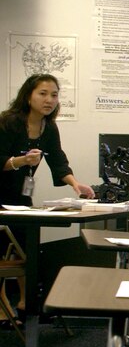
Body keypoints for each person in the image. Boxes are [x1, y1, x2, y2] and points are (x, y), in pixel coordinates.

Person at [0, 74, 96, 319]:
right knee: (3, 248)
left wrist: (76, 185)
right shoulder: (8, 121)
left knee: (26, 246)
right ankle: (3, 310)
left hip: (20, 194)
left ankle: (25, 303)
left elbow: (58, 159)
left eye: (54, 95)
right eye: (42, 93)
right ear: (28, 96)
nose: (49, 100)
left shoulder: (48, 126)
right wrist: (21, 161)